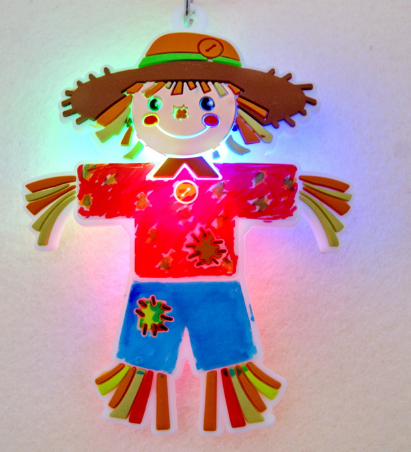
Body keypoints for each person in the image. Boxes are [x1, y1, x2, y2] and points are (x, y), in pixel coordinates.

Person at [24, 32, 351, 435]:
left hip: (218, 288)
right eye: (156, 104)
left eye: (207, 104)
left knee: (227, 353)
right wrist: (65, 195)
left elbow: (278, 188)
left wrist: (307, 194)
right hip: (152, 291)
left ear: (237, 109)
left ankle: (230, 410)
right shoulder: (137, 182)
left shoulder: (232, 183)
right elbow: (91, 187)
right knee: (146, 358)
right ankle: (143, 407)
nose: (181, 117)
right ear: (132, 108)